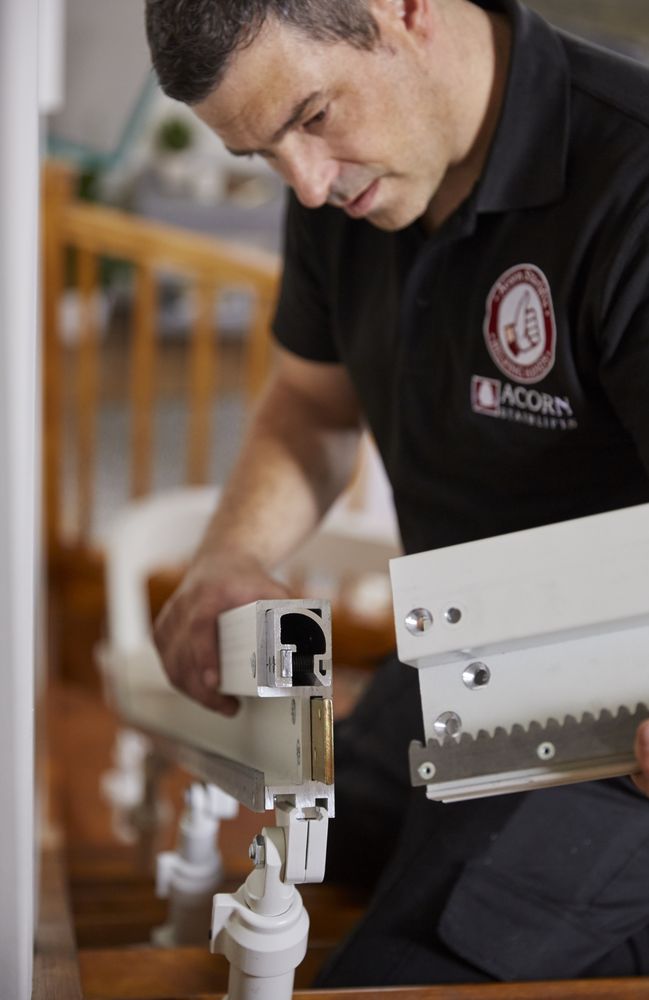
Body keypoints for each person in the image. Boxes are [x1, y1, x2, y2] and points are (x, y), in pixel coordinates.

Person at [144, 0, 649, 985]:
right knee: (300, 841)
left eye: (312, 115)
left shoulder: (629, 176)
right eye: (263, 155)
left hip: (616, 726)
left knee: (383, 977)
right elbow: (309, 404)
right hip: (452, 665)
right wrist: (231, 556)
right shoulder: (341, 182)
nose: (307, 183)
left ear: (406, 8)